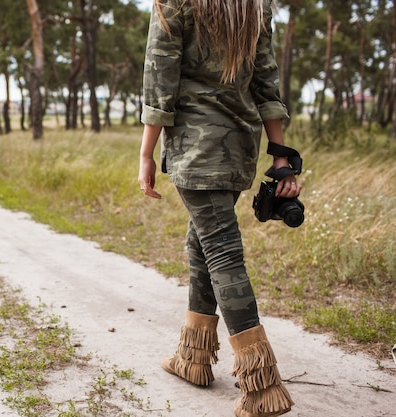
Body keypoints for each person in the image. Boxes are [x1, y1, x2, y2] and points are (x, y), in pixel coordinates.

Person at [138, 1, 299, 416]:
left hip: (196, 147)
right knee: (202, 245)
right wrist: (280, 157)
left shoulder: (176, 3)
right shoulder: (253, 6)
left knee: (221, 250)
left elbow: (160, 78)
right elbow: (266, 82)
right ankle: (192, 359)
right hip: (239, 146)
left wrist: (145, 154)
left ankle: (262, 387)